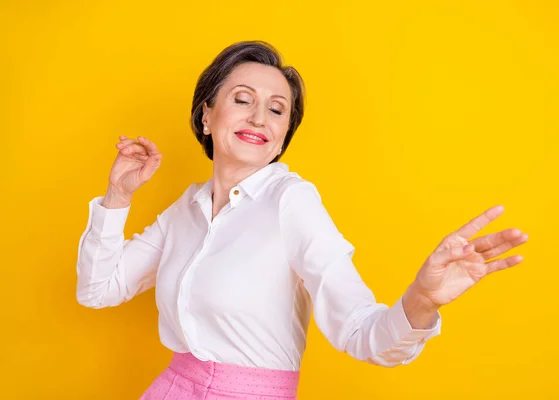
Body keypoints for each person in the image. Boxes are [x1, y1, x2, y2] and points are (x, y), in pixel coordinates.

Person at [75, 41, 528, 400]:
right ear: (206, 116)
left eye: (276, 109)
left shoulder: (290, 201)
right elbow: (97, 290)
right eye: (242, 99)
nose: (258, 116)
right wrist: (119, 196)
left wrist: (422, 300)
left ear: (280, 140)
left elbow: (359, 331)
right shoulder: (186, 210)